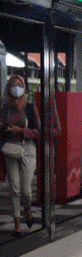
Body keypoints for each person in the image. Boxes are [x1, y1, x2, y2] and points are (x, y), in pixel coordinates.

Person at [1, 75, 40, 236]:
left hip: (27, 149)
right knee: (14, 188)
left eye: (19, 85)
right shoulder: (4, 109)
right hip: (10, 148)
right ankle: (17, 223)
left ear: (24, 88)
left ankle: (28, 209)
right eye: (13, 85)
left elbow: (38, 131)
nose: (16, 88)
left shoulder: (30, 108)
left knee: (26, 189)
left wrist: (21, 131)